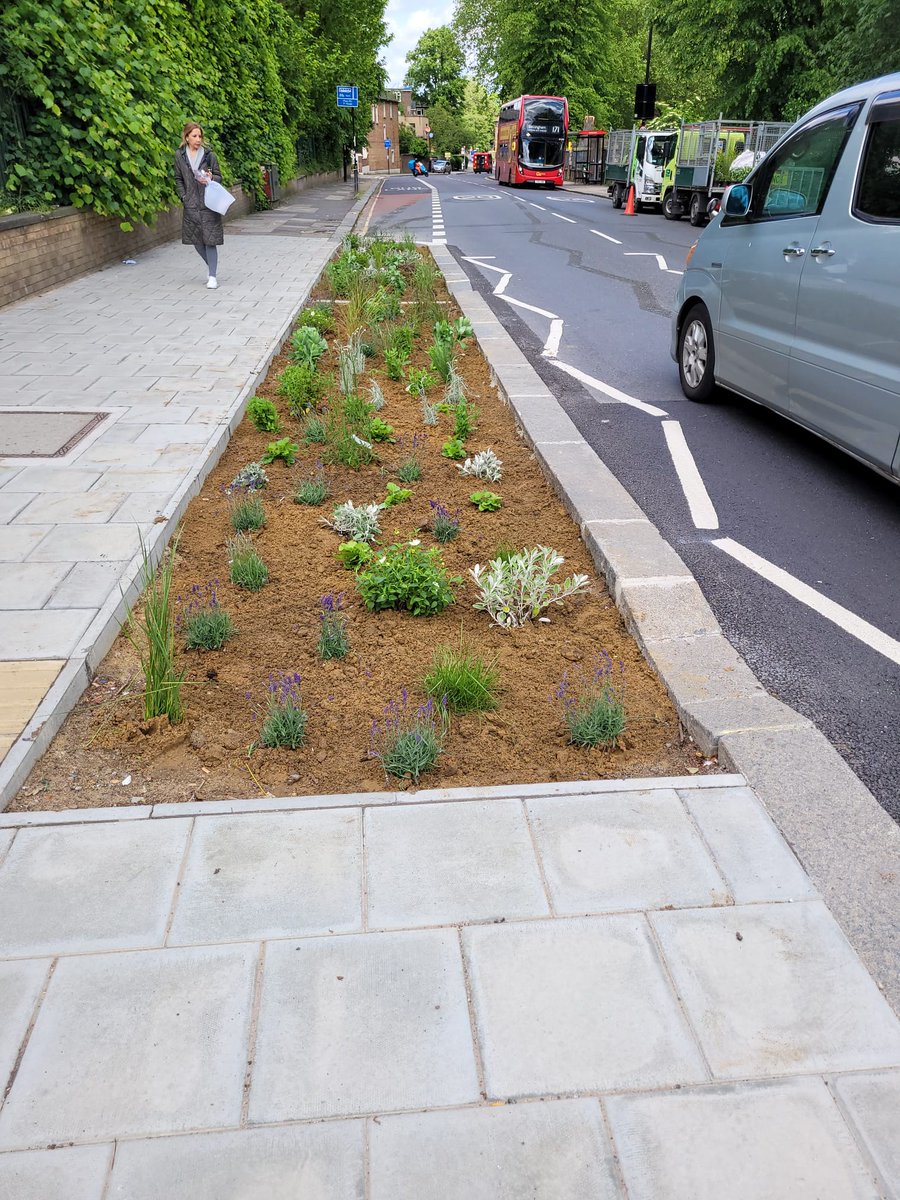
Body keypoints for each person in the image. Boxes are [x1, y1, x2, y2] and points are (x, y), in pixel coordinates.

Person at [174, 122, 224, 290]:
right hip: (191, 204)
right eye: (194, 136)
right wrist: (184, 196)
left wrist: (211, 177)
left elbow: (218, 176)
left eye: (200, 136)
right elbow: (178, 179)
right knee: (196, 240)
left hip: (208, 202)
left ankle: (212, 276)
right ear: (186, 137)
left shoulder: (209, 155)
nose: (198, 139)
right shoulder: (179, 156)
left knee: (210, 240)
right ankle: (212, 267)